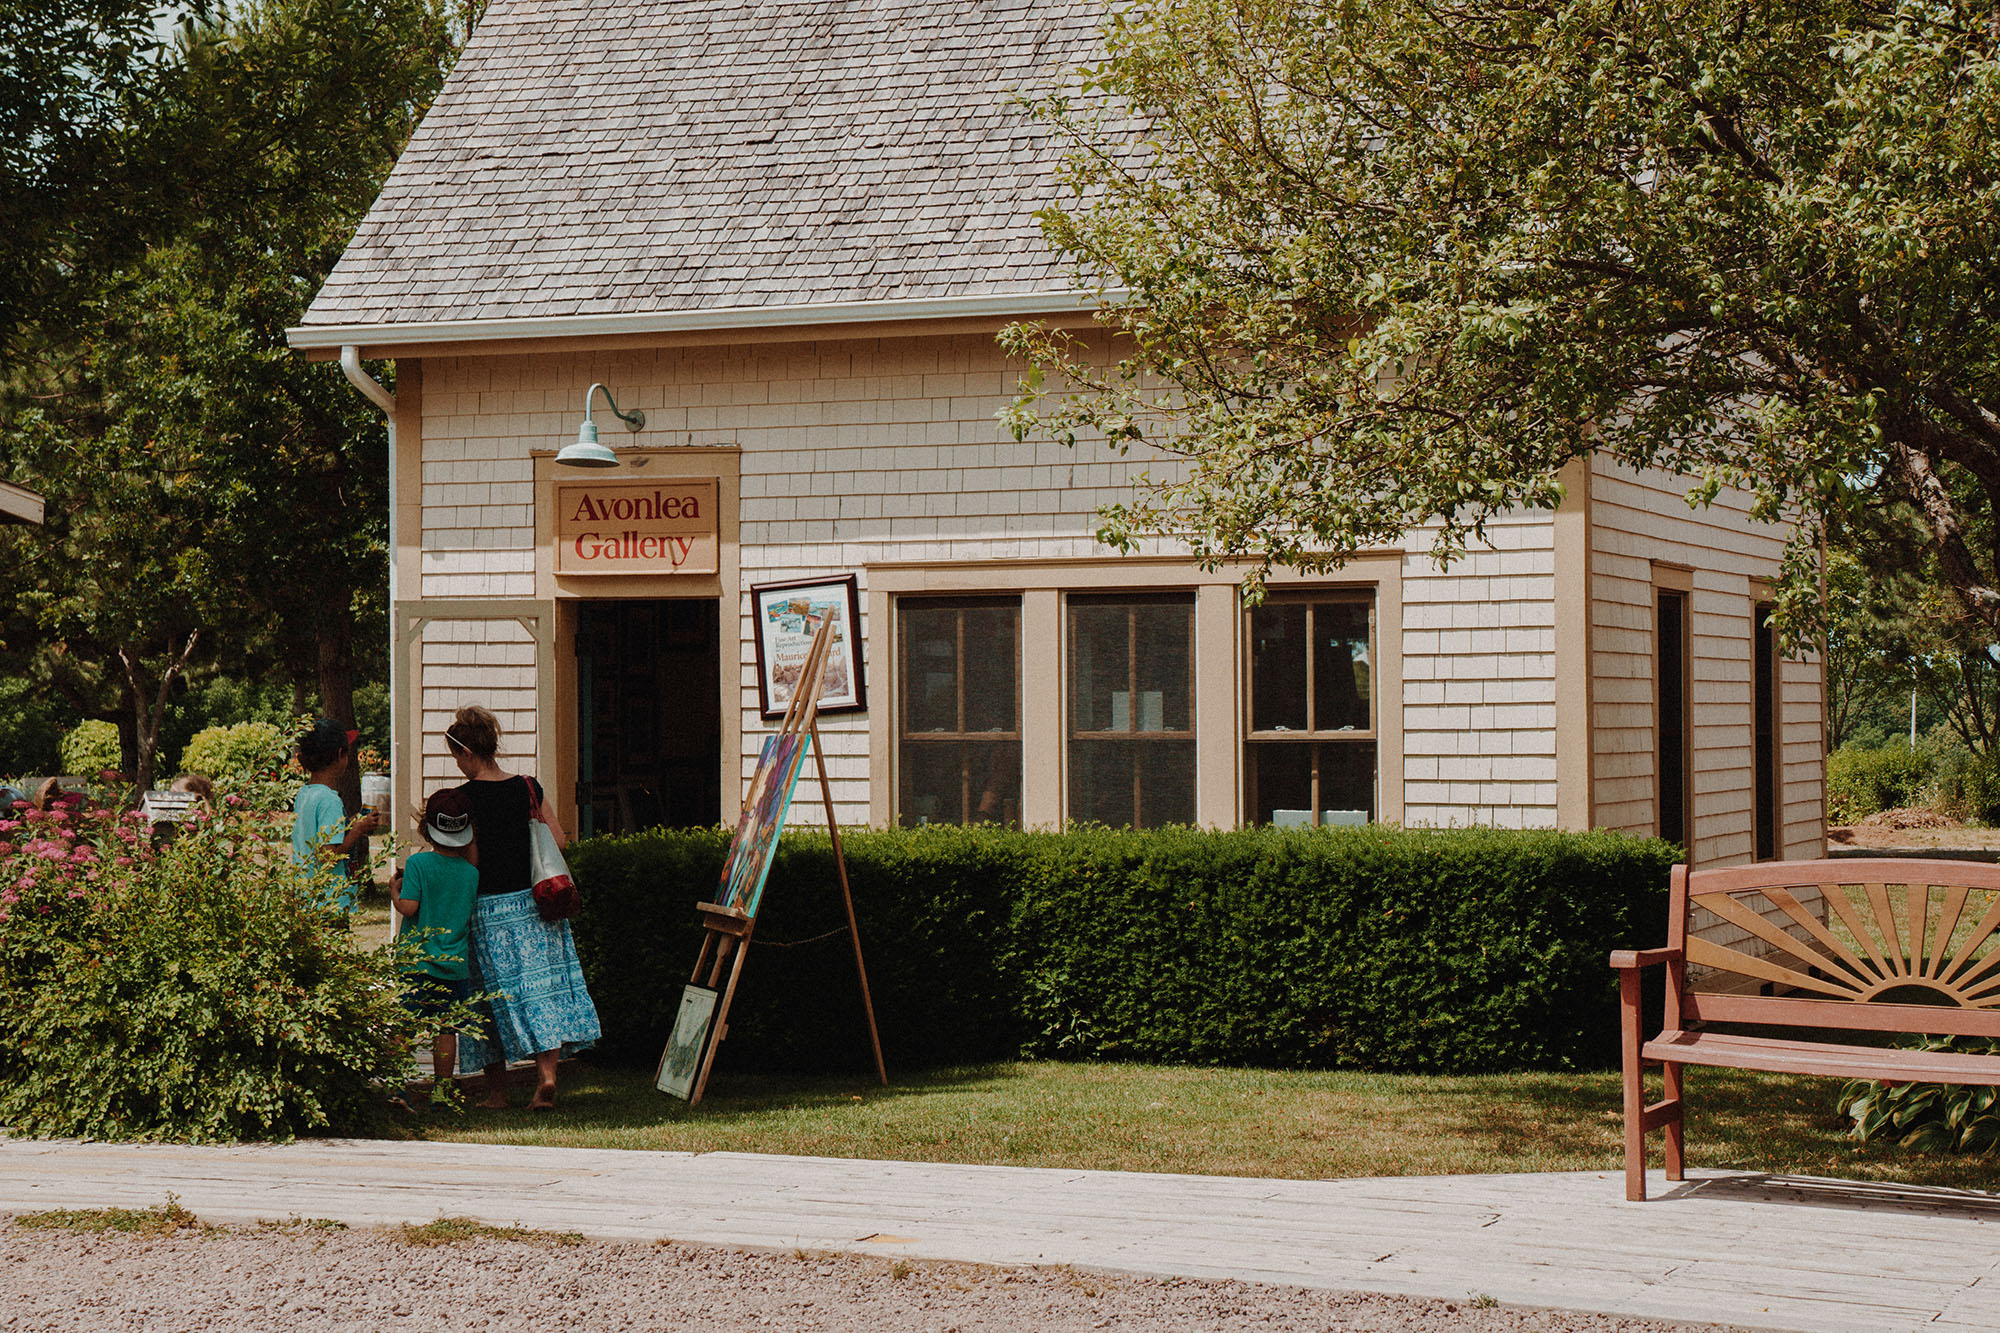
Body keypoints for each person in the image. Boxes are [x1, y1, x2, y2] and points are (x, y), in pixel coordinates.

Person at [446, 704, 600, 1111]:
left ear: (465, 753)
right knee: (540, 992)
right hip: (536, 905)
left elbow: (467, 858)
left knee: (485, 999)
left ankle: (497, 1093)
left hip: (487, 912)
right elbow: (560, 842)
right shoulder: (528, 786)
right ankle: (546, 1079)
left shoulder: (463, 799)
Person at [393, 788, 481, 1104]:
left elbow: (409, 908)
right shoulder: (471, 874)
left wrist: (393, 891)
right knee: (447, 1031)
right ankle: (442, 1092)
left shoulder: (418, 865)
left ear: (427, 829)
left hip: (417, 964)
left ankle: (397, 1089)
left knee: (405, 1025)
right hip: (454, 966)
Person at [291, 718, 381, 913]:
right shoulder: (330, 800)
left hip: (307, 898)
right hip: (328, 903)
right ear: (341, 754)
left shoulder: (304, 794)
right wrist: (357, 830)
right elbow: (328, 855)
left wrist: (352, 825)